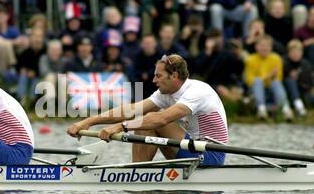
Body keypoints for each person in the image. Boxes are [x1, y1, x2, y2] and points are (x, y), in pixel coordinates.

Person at [67, 54, 228, 165]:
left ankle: (137, 174)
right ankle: (138, 173)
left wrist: (121, 127)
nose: (153, 80)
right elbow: (131, 110)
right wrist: (88, 121)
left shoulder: (197, 91)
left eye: (158, 76)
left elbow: (162, 119)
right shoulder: (167, 93)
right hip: (191, 149)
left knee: (153, 118)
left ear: (174, 76)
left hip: (210, 154)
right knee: (144, 118)